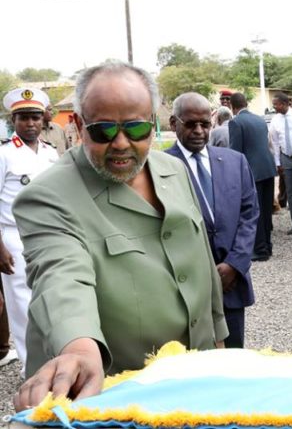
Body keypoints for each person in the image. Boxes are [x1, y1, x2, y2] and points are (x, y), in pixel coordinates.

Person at [12, 61, 227, 410]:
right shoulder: (47, 196)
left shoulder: (173, 170)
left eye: (137, 128)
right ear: (79, 125)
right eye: (103, 131)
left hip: (194, 378)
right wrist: (80, 349)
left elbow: (201, 255)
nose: (121, 143)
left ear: (153, 124)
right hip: (115, 395)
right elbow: (60, 275)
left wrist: (216, 338)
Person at [167, 92, 258, 349]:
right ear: (174, 123)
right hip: (184, 288)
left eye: (205, 124)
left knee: (233, 357)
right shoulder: (160, 166)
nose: (199, 131)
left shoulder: (235, 161)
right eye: (190, 124)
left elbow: (250, 214)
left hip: (231, 282)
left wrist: (235, 264)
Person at [0, 88, 59, 374]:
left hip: (50, 234)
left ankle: (53, 359)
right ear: (13, 121)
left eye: (35, 117)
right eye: (23, 118)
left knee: (51, 299)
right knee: (22, 305)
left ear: (43, 119)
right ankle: (31, 370)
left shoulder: (50, 153)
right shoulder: (4, 154)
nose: (30, 123)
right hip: (15, 237)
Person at [229, 92, 277, 262]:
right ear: (246, 103)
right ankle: (267, 245)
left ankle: (260, 249)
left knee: (255, 211)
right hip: (268, 168)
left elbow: (235, 152)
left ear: (232, 106)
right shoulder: (260, 119)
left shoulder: (235, 122)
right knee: (266, 209)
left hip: (252, 172)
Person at [270, 92, 292, 235]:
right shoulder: (275, 120)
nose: (274, 107)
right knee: (290, 192)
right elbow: (275, 142)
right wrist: (278, 163)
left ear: (284, 104)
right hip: (286, 158)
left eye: (276, 104)